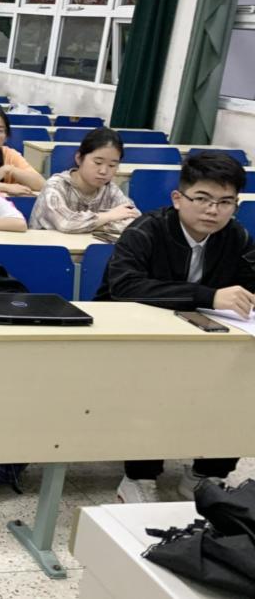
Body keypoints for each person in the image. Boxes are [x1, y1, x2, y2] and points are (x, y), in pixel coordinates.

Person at [95, 153, 255, 504]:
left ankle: (207, 473)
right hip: (131, 337)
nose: (213, 210)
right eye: (203, 198)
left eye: (225, 202)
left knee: (244, 375)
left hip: (201, 339)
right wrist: (209, 296)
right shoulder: (146, 230)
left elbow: (250, 282)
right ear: (178, 198)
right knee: (157, 377)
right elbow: (125, 287)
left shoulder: (236, 236)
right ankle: (139, 476)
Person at [29, 128, 140, 233]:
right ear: (79, 158)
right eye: (98, 163)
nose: (103, 171)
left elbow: (134, 219)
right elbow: (66, 223)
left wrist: (91, 225)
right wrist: (109, 216)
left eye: (112, 165)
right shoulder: (56, 186)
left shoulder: (110, 189)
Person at [0, 108, 45, 196]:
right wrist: (6, 187)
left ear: (6, 137)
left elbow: (42, 185)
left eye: (0, 130)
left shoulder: (9, 154)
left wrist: (9, 169)